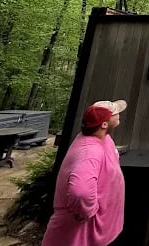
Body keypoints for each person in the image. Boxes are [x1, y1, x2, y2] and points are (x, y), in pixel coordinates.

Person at [42, 99, 127, 246]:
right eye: (115, 113)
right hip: (79, 234)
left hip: (99, 231)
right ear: (104, 124)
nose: (119, 113)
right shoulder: (89, 152)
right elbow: (80, 192)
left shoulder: (103, 138)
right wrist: (88, 211)